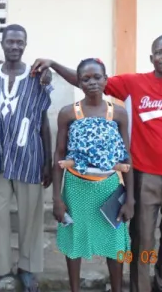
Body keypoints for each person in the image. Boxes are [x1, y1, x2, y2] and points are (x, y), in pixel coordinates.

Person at [31, 34, 162, 292]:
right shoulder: (133, 83)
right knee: (140, 241)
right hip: (144, 176)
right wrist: (54, 64)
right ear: (151, 57)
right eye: (160, 51)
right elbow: (84, 79)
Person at [0, 24, 53, 292]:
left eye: (20, 42)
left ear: (25, 44)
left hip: (29, 157)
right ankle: (2, 269)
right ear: (3, 42)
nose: (15, 46)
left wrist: (48, 163)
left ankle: (28, 268)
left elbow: (43, 122)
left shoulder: (37, 77)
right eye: (10, 41)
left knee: (30, 215)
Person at [52, 58, 134, 292]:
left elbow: (126, 156)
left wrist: (130, 198)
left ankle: (117, 288)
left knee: (114, 242)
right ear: (78, 82)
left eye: (97, 77)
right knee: (74, 241)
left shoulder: (117, 114)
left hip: (108, 189)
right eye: (85, 79)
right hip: (76, 189)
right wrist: (56, 199)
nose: (92, 82)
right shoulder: (69, 113)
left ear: (106, 80)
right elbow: (58, 156)